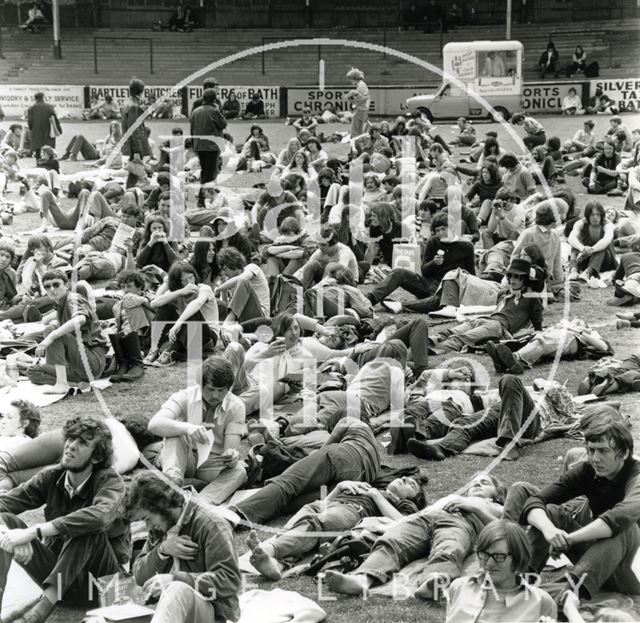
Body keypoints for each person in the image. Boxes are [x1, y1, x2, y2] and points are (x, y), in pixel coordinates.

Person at [0, 415, 129, 623]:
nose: (71, 446)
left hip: (104, 588)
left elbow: (100, 517)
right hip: (62, 580)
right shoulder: (52, 476)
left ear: (96, 457)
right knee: (6, 521)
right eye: (70, 439)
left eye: (82, 443)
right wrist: (7, 535)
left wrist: (34, 531)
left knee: (86, 527)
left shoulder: (111, 481)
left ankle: (37, 615)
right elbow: (4, 504)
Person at [502, 417, 640, 607]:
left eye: (603, 451)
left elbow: (619, 517)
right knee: (550, 512)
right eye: (590, 450)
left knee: (627, 528)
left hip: (628, 571)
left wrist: (569, 539)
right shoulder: (589, 470)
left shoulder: (637, 476)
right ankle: (517, 583)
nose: (595, 458)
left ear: (624, 453)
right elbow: (536, 501)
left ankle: (566, 598)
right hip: (595, 559)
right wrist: (550, 531)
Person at [325, 473, 506, 599]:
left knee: (450, 546)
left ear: (497, 494)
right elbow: (411, 517)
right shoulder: (452, 497)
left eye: (485, 483)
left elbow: (504, 529)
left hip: (460, 524)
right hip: (424, 519)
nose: (477, 484)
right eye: (475, 482)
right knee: (392, 541)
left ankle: (432, 581)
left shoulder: (496, 507)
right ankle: (362, 579)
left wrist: (472, 507)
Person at [246, 476, 425, 580]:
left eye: (411, 484)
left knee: (315, 523)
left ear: (414, 498)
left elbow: (404, 522)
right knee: (295, 529)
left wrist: (377, 496)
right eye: (405, 477)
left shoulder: (405, 504)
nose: (404, 479)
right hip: (325, 505)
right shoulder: (372, 485)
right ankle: (276, 565)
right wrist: (339, 487)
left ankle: (269, 550)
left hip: (351, 511)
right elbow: (325, 502)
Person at [127, 471, 241, 623]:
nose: (147, 526)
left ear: (164, 505)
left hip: (213, 613)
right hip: (164, 609)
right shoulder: (159, 527)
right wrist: (162, 551)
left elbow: (229, 580)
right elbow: (139, 576)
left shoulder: (211, 524)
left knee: (176, 588)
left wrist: (175, 578)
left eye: (148, 518)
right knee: (113, 600)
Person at [229, 417, 381, 526]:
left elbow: (326, 448)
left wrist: (306, 463)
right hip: (355, 480)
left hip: (342, 456)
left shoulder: (352, 421)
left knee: (289, 483)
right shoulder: (377, 454)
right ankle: (247, 518)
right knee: (295, 501)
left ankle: (235, 514)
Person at [148, 356, 246, 504]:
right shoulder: (184, 396)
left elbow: (230, 450)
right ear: (200, 385)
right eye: (211, 389)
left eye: (221, 391)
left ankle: (199, 504)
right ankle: (172, 486)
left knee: (239, 470)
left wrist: (231, 457)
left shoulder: (236, 406)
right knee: (176, 434)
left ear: (228, 388)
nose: (215, 396)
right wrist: (187, 427)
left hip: (211, 464)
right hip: (183, 458)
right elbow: (154, 424)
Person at [446, 520, 557, 622]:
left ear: (518, 557)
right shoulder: (458, 588)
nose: (489, 563)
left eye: (498, 556)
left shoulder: (541, 603)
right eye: (484, 554)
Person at [430, 258, 544, 353]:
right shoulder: (504, 293)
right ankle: (425, 343)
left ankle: (432, 350)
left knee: (464, 338)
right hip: (484, 320)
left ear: (525, 279)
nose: (512, 280)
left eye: (517, 276)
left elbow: (537, 318)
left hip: (498, 326)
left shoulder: (531, 297)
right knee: (450, 332)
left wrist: (538, 334)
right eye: (510, 276)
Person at [26, 270, 108, 392]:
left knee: (52, 330)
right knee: (32, 371)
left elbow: (81, 319)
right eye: (47, 286)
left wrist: (51, 337)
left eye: (56, 284)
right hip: (77, 364)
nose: (52, 289)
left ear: (67, 285)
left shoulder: (72, 298)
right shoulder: (60, 305)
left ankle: (62, 383)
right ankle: (75, 384)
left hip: (92, 361)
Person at [486, 318, 611, 375]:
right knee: (537, 341)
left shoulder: (589, 331)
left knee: (542, 342)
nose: (575, 320)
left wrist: (578, 330)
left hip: (571, 339)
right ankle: (505, 364)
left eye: (579, 321)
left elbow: (603, 346)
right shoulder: (567, 325)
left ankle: (515, 360)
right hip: (559, 335)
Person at [108, 270, 152, 382]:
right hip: (128, 339)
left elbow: (159, 309)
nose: (126, 290)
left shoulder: (146, 296)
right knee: (113, 331)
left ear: (138, 287)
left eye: (129, 286)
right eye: (123, 287)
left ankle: (137, 363)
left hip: (145, 336)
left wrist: (143, 300)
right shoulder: (118, 305)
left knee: (131, 301)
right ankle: (125, 364)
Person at [190, 88, 227, 208]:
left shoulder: (195, 111)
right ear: (214, 99)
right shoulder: (214, 110)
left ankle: (206, 197)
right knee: (210, 174)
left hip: (199, 146)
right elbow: (223, 124)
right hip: (211, 146)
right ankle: (203, 199)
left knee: (205, 172)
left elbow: (192, 129)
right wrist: (218, 110)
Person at [215, 248, 270, 324]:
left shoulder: (252, 267)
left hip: (260, 315)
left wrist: (219, 288)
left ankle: (227, 323)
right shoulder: (231, 282)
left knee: (243, 281)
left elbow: (242, 278)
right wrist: (224, 290)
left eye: (224, 268)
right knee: (216, 302)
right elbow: (227, 307)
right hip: (241, 317)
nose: (223, 272)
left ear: (231, 263)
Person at [568, 201, 617, 281]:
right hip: (584, 258)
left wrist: (591, 250)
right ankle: (574, 271)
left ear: (602, 215)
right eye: (592, 215)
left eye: (598, 214)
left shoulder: (608, 224)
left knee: (602, 248)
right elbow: (571, 238)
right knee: (575, 246)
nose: (595, 217)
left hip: (604, 261)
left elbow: (606, 240)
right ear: (588, 215)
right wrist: (582, 248)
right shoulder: (581, 223)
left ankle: (587, 273)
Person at [295, 227, 359, 288]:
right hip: (328, 279)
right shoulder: (320, 251)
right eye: (319, 244)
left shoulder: (344, 251)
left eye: (323, 245)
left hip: (347, 281)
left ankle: (322, 291)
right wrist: (293, 279)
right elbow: (305, 267)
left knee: (331, 266)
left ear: (334, 244)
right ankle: (300, 290)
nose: (320, 247)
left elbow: (340, 273)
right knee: (312, 264)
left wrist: (318, 286)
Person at [120, 78, 151, 165]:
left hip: (128, 142)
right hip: (133, 145)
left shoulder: (126, 103)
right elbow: (133, 129)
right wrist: (138, 149)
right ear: (140, 91)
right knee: (136, 172)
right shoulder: (133, 106)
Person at [27, 92, 58, 160]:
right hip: (48, 130)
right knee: (49, 147)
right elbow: (55, 119)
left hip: (36, 130)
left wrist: (31, 129)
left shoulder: (31, 108)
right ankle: (50, 161)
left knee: (38, 148)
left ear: (35, 98)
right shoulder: (50, 107)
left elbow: (30, 122)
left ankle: (39, 163)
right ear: (43, 97)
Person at [346, 67, 370, 137]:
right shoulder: (361, 85)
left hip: (360, 110)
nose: (350, 81)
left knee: (354, 132)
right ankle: (359, 146)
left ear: (354, 78)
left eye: (350, 79)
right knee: (359, 132)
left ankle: (353, 147)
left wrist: (353, 101)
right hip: (362, 110)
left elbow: (365, 97)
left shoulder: (361, 85)